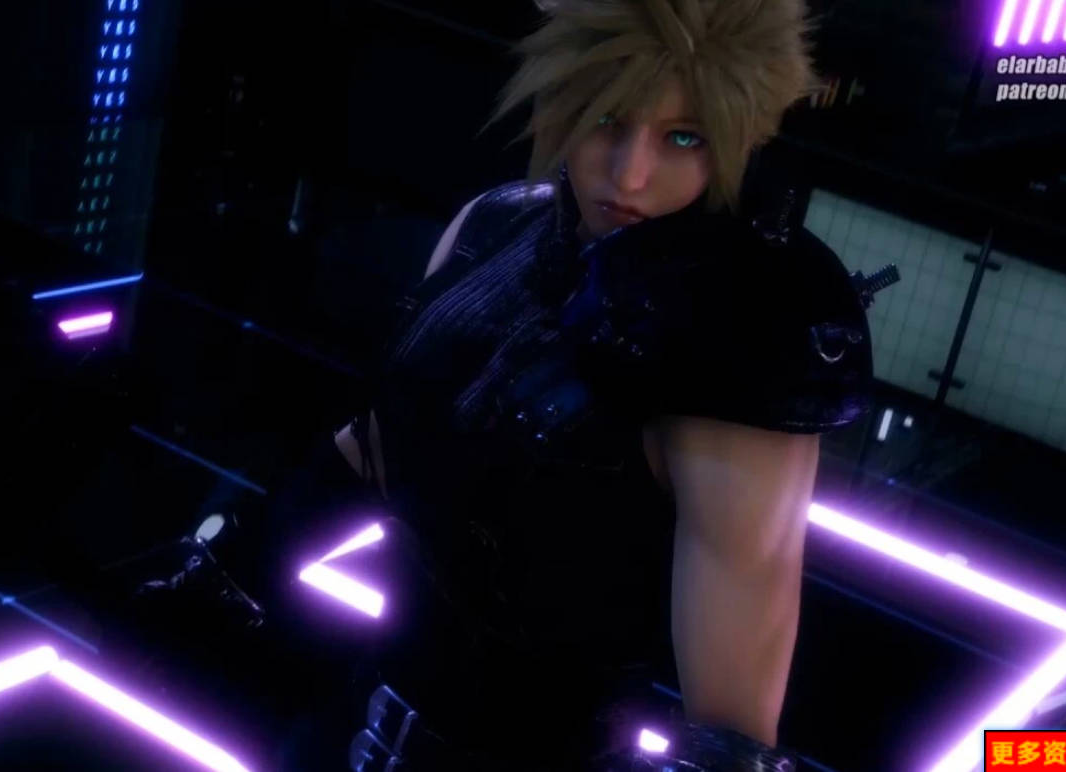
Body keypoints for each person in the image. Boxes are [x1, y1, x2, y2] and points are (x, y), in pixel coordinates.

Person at [329, 0, 873, 767]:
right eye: (607, 121)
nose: (629, 175)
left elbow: (732, 724)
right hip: (365, 708)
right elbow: (375, 442)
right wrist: (237, 547)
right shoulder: (495, 225)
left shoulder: (738, 348)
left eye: (683, 137)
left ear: (738, 140)